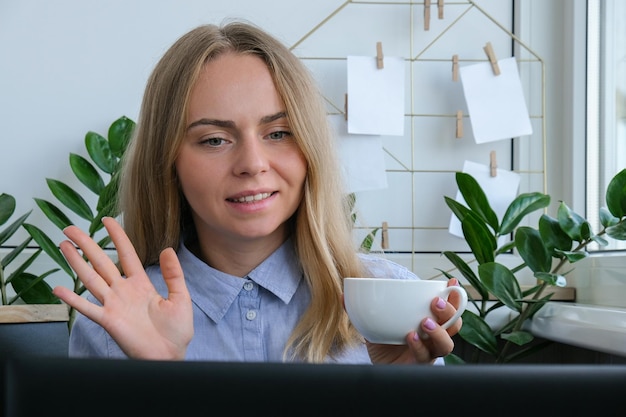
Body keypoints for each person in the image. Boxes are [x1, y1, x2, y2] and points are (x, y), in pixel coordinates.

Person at [53, 20, 463, 364]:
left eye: (279, 133)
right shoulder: (115, 321)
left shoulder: (390, 303)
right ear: (168, 162)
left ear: (309, 150)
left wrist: (401, 390)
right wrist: (163, 379)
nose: (253, 163)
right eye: (214, 139)